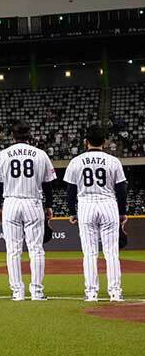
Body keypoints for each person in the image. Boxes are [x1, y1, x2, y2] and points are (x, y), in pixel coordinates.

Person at [0, 121, 56, 301]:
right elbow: (47, 184)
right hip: (33, 202)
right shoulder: (40, 154)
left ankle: (17, 292)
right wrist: (49, 205)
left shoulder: (3, 155)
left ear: (13, 135)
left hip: (10, 202)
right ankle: (37, 291)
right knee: (36, 249)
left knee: (13, 250)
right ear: (29, 135)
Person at [65, 124, 127, 302]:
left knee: (90, 253)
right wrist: (122, 213)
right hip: (108, 204)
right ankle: (115, 292)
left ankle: (91, 292)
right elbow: (121, 189)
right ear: (105, 142)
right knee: (111, 252)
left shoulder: (76, 161)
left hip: (86, 206)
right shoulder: (113, 161)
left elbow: (70, 191)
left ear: (86, 142)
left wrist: (72, 212)